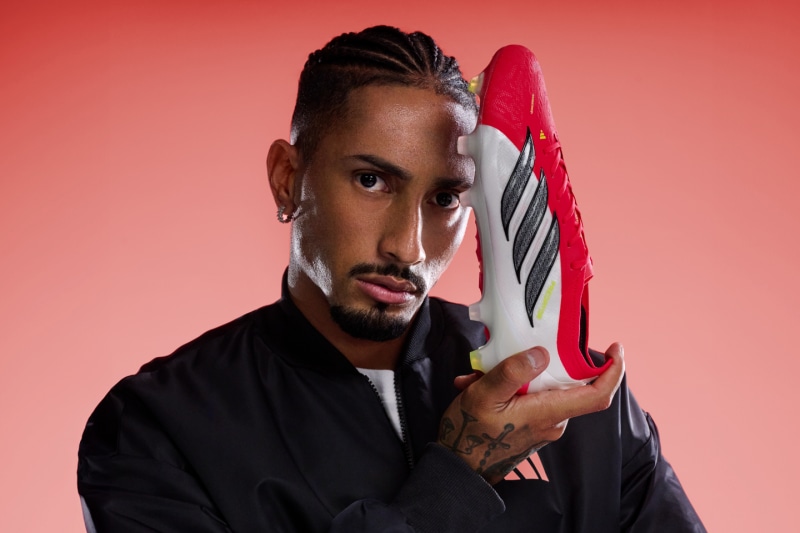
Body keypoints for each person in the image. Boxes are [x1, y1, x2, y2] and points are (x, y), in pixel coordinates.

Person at [77, 25, 705, 532]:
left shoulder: (572, 401)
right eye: (372, 181)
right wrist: (458, 476)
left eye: (445, 198)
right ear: (287, 179)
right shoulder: (155, 429)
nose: (408, 246)